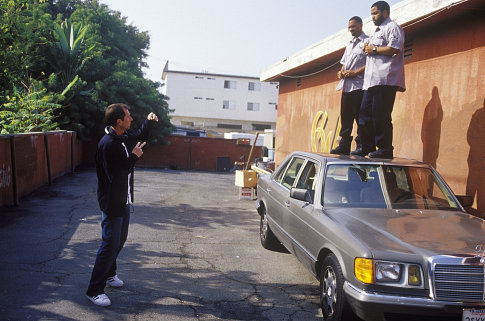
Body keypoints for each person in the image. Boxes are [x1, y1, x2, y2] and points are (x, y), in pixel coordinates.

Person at [86, 103, 158, 306]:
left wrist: (149, 122)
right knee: (109, 245)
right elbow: (116, 175)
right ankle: (94, 290)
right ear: (119, 121)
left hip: (123, 200)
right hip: (112, 203)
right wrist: (134, 156)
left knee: (120, 240)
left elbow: (139, 138)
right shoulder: (108, 144)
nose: (131, 119)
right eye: (128, 116)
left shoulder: (121, 138)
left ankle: (110, 275)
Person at [351, 1, 405, 159]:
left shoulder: (392, 27)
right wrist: (368, 48)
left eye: (375, 13)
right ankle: (366, 146)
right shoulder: (376, 32)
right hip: (371, 81)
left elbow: (395, 48)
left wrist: (373, 49)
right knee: (365, 115)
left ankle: (385, 148)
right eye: (372, 14)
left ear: (385, 12)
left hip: (385, 79)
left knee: (381, 115)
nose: (373, 17)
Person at [331, 16, 368, 155]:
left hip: (360, 86)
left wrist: (355, 72)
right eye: (349, 28)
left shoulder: (367, 41)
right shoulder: (349, 44)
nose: (351, 30)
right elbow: (344, 64)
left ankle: (361, 146)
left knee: (360, 119)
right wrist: (341, 72)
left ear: (360, 25)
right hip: (346, 87)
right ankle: (344, 145)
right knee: (345, 119)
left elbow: (370, 63)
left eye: (353, 27)